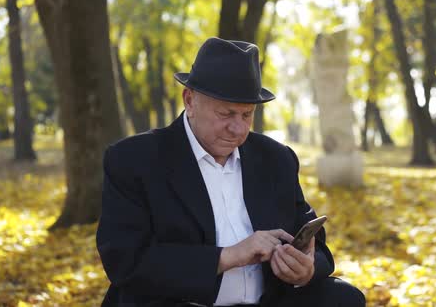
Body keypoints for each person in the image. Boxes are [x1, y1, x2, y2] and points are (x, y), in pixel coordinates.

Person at [96, 37, 365, 307]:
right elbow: (125, 261)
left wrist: (305, 269)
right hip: (177, 302)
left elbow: (314, 242)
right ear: (189, 101)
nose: (238, 129)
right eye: (226, 114)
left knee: (345, 298)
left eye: (246, 115)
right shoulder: (134, 160)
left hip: (269, 299)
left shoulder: (276, 158)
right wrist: (229, 256)